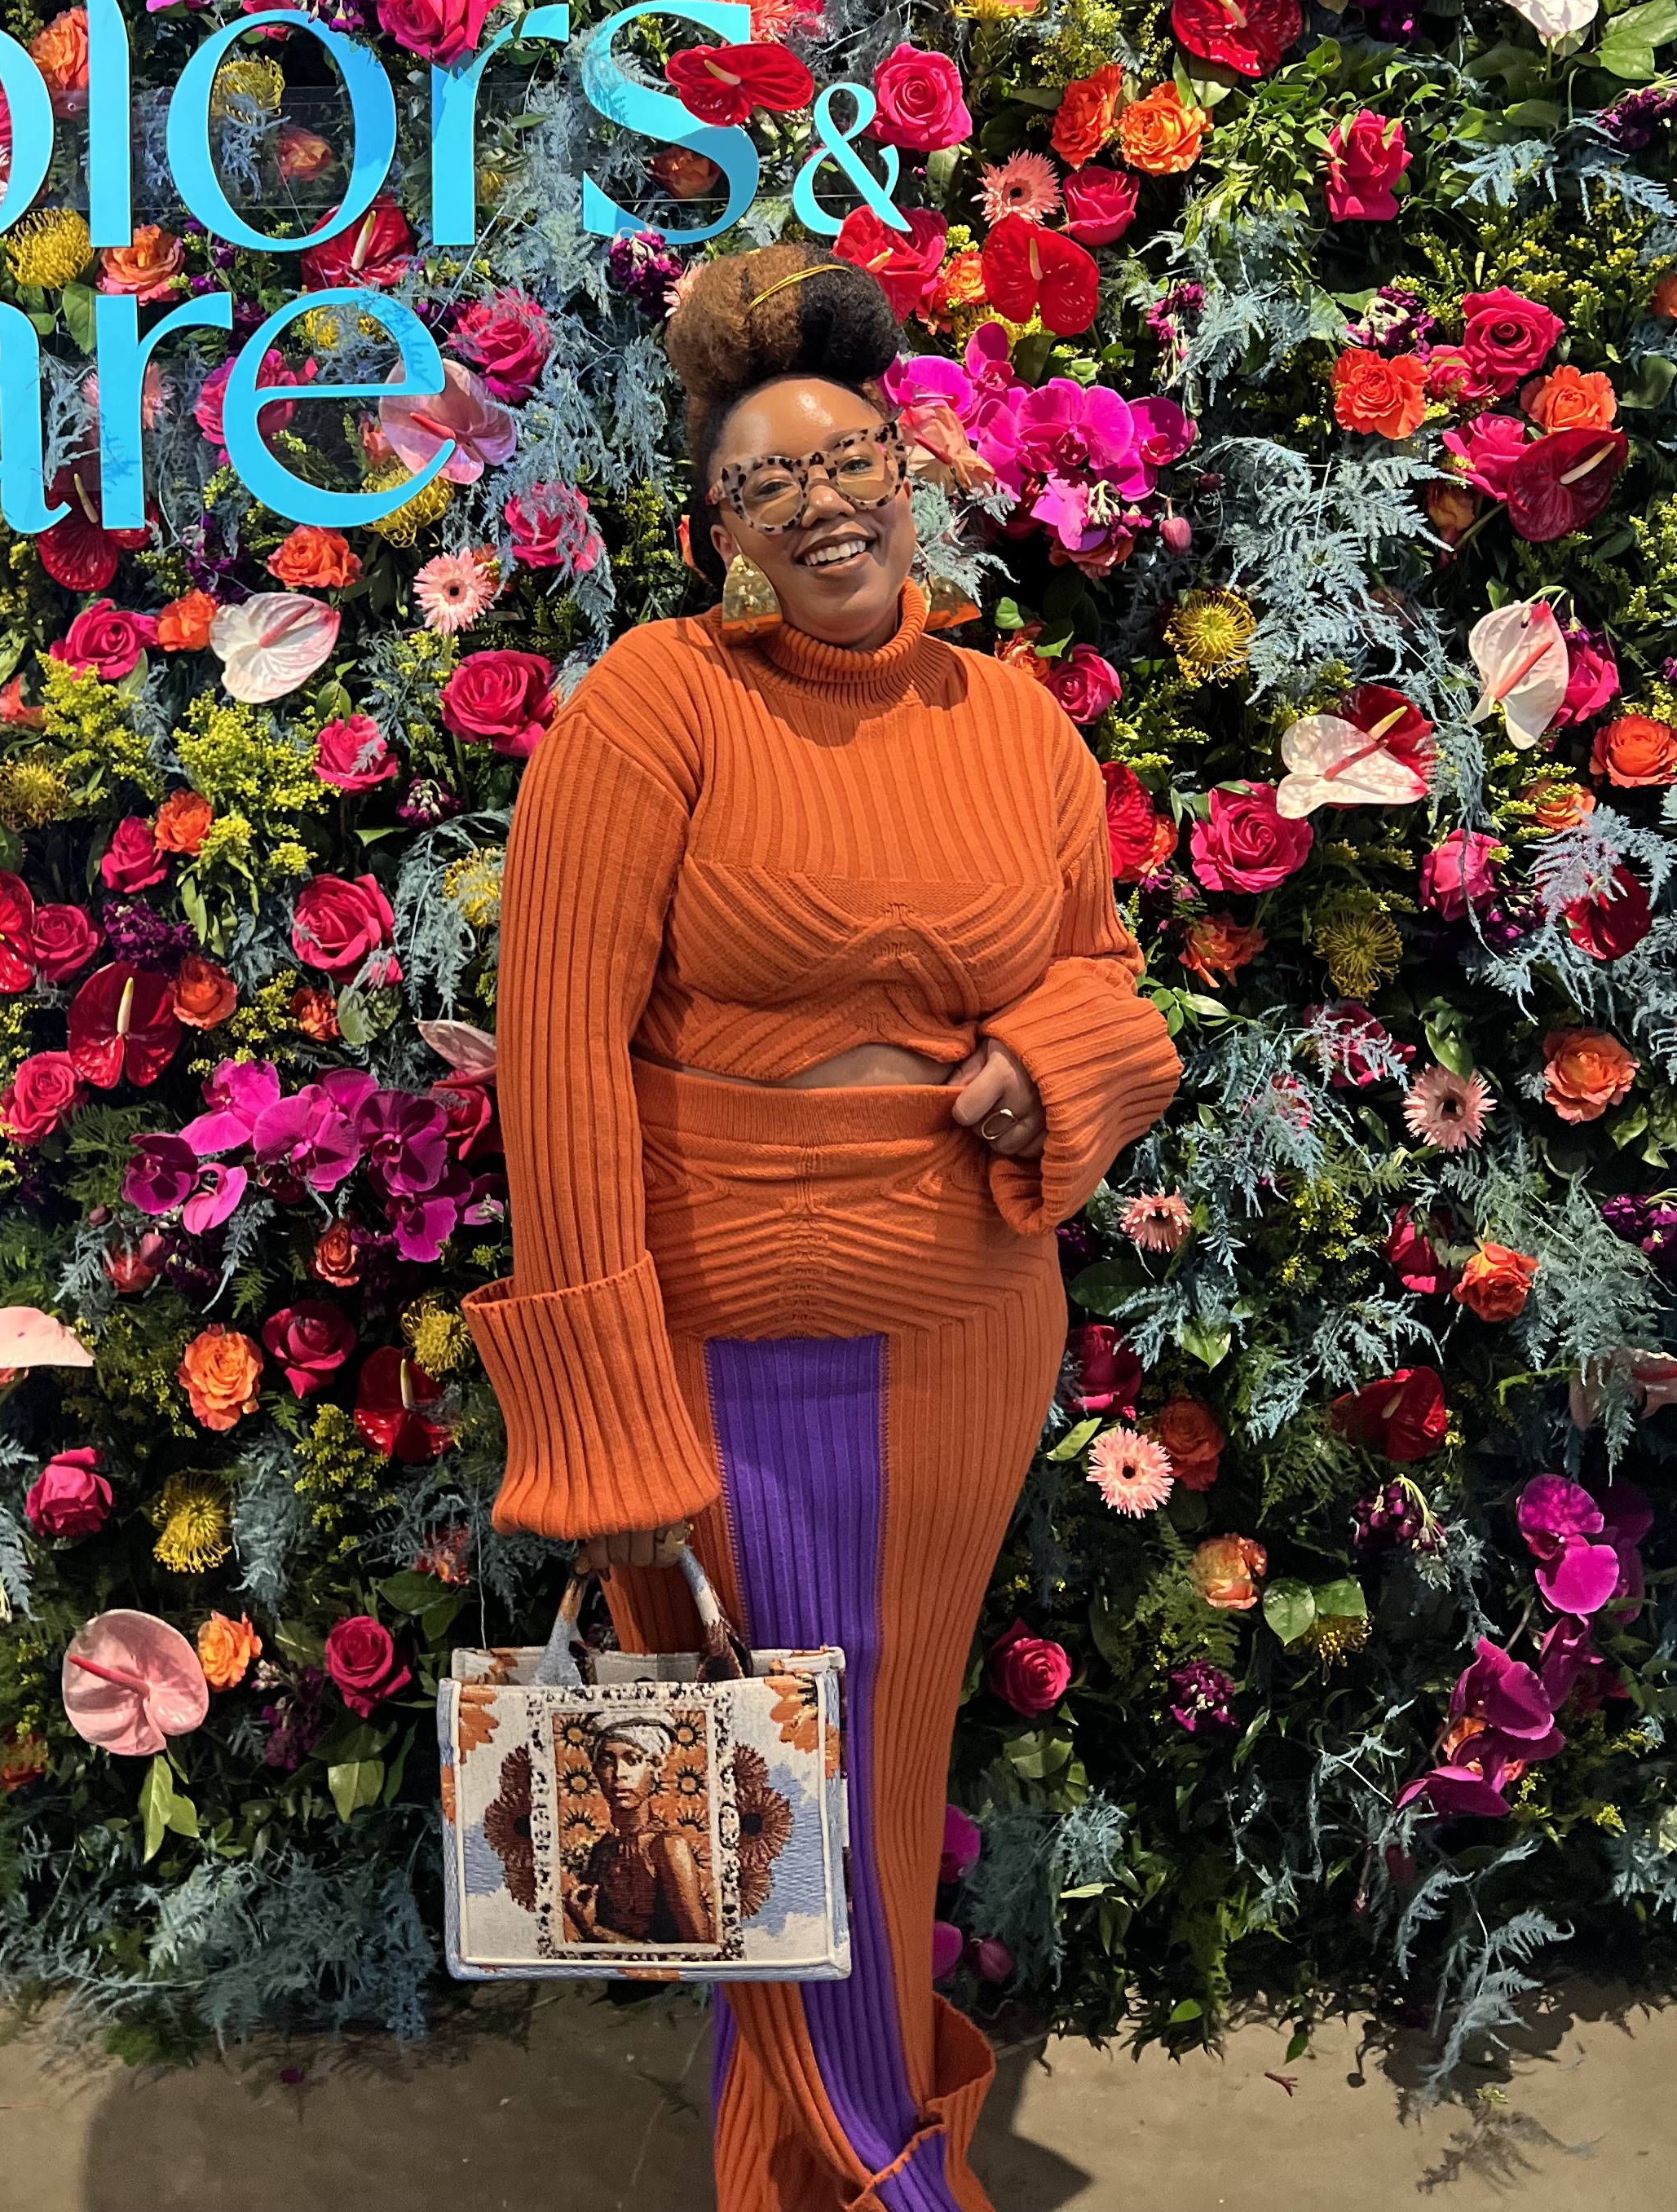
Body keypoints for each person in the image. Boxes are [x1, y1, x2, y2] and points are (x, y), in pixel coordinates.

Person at [465, 240, 1183, 2212]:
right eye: (767, 482)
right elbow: (556, 1061)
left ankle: (820, 2160)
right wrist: (605, 1422)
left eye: (851, 459)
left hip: (961, 1330)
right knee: (765, 1786)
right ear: (720, 525)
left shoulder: (1014, 723)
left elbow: (1109, 982)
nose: (822, 503)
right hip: (731, 1340)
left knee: (876, 1766)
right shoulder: (653, 708)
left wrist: (1046, 1057)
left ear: (908, 466)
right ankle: (859, 2170)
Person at [565, 1710, 716, 1949]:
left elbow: (699, 1950)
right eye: (606, 1761)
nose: (619, 1774)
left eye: (633, 1760)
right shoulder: (603, 1849)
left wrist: (593, 1930)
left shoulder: (666, 1846)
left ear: (654, 1768)